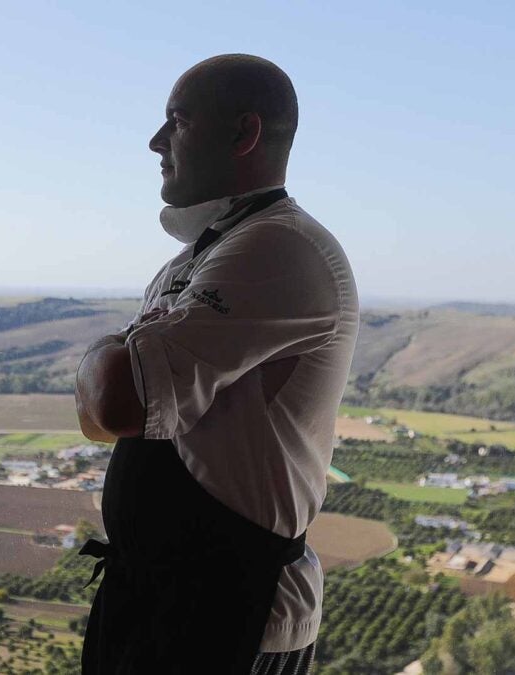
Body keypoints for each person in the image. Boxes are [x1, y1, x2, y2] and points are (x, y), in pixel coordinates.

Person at [74, 54, 359, 674]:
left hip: (233, 615)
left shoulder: (279, 249)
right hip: (161, 602)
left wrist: (102, 350)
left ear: (243, 134)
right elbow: (108, 410)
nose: (155, 142)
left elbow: (115, 403)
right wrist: (113, 362)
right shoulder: (197, 260)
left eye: (175, 121)